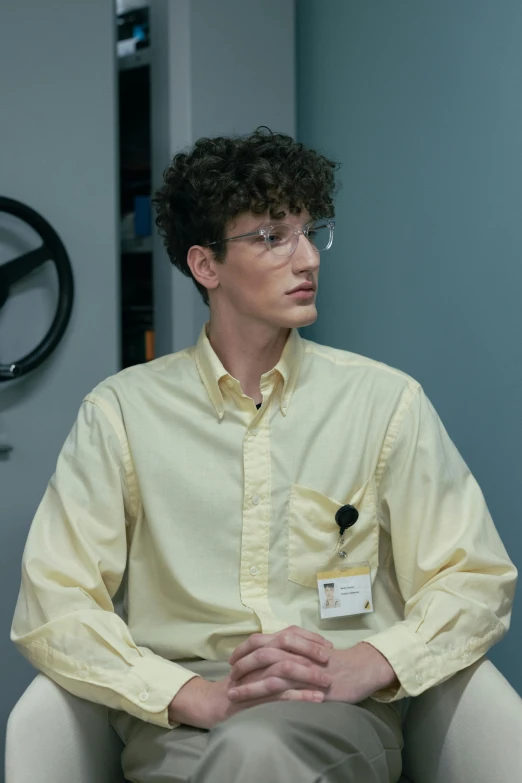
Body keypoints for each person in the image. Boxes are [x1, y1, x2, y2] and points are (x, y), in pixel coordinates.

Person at [11, 128, 517, 783]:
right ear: (205, 265)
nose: (306, 258)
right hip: (182, 725)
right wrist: (192, 695)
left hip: (336, 713)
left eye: (311, 231)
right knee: (237, 752)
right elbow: (56, 603)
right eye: (273, 237)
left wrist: (370, 659)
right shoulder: (121, 415)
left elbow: (474, 576)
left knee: (255, 752)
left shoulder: (385, 402)